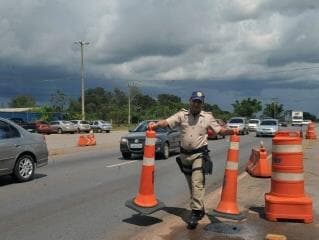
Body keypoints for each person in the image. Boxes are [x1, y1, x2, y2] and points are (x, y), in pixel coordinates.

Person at [148, 91, 238, 229]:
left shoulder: (207, 117)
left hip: (199, 154)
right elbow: (166, 122)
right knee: (192, 184)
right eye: (194, 101)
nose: (196, 104)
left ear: (202, 103)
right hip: (184, 155)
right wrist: (155, 124)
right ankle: (200, 208)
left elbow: (219, 130)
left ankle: (195, 213)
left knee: (197, 182)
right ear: (190, 101)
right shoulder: (181, 115)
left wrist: (231, 131)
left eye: (199, 102)